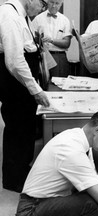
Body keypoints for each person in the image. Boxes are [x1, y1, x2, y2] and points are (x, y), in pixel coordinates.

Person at [16, 108, 98, 216]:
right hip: (31, 209)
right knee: (94, 204)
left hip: (46, 201)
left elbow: (94, 177)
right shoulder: (72, 150)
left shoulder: (80, 139)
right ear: (97, 130)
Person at [0, 0, 50, 193]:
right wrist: (35, 89)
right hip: (15, 84)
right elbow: (14, 61)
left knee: (26, 128)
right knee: (17, 129)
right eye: (42, 5)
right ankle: (14, 180)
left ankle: (23, 170)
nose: (41, 10)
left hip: (22, 85)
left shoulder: (21, 15)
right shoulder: (9, 14)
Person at [32, 0, 72, 78]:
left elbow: (66, 44)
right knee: (42, 83)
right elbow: (31, 38)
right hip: (42, 56)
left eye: (57, 3)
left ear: (60, 5)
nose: (54, 6)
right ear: (47, 3)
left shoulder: (65, 20)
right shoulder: (38, 18)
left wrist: (51, 40)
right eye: (51, 2)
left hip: (59, 58)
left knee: (59, 85)